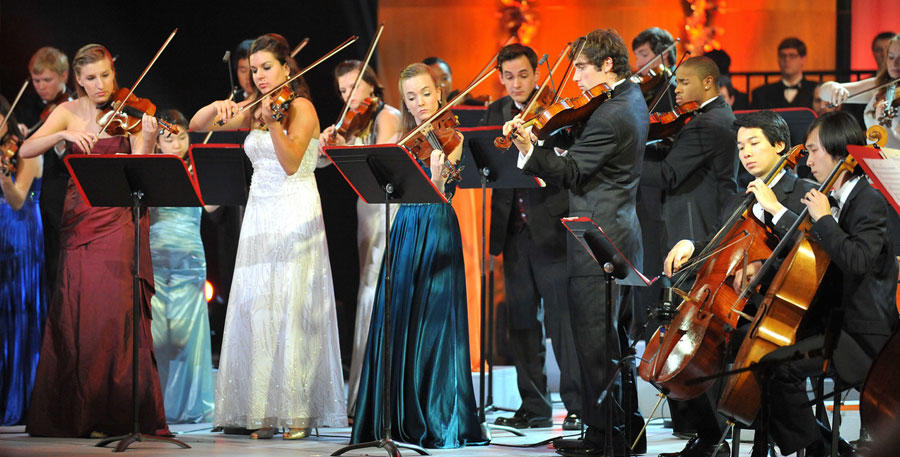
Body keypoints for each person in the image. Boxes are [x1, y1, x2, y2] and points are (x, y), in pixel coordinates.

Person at [189, 33, 346, 440]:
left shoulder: (301, 107)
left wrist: (274, 120)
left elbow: (293, 161)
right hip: (260, 211)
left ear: (286, 68)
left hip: (295, 209)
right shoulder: (255, 108)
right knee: (260, 305)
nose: (259, 76)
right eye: (254, 69)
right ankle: (262, 408)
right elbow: (195, 127)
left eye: (267, 68)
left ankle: (296, 411)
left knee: (292, 305)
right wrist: (216, 107)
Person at [503, 29, 648, 456]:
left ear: (607, 66)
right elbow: (587, 153)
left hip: (598, 239)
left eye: (582, 67)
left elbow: (574, 171)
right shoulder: (627, 101)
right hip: (618, 233)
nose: (577, 77)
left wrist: (530, 147)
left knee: (595, 343)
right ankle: (626, 432)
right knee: (613, 343)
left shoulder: (613, 112)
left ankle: (605, 438)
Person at [20, 43, 168, 437]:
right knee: (78, 311)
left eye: (105, 75)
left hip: (118, 221)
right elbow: (25, 147)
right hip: (78, 221)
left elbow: (140, 166)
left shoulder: (131, 111)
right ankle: (81, 411)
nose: (100, 85)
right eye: (90, 78)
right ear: (78, 81)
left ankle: (117, 413)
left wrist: (149, 141)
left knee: (112, 314)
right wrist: (63, 132)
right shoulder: (66, 111)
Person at [660, 110, 817, 457]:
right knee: (677, 333)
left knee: (755, 355)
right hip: (737, 306)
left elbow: (811, 253)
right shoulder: (737, 198)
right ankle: (709, 434)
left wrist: (773, 210)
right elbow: (721, 249)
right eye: (740, 146)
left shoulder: (802, 192)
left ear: (780, 145)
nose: (745, 152)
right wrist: (691, 245)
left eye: (754, 143)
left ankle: (809, 441)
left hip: (780, 311)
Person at [350, 62, 483, 449]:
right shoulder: (408, 138)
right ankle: (394, 418)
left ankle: (437, 417)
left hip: (437, 226)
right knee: (400, 319)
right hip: (405, 227)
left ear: (439, 92)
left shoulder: (453, 137)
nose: (421, 103)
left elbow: (447, 191)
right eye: (411, 97)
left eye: (426, 93)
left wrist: (440, 178)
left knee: (434, 325)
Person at [757, 111, 898, 457]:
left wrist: (824, 219)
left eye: (813, 150)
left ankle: (822, 451)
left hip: (865, 337)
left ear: (838, 150)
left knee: (776, 370)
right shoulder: (838, 197)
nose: (807, 160)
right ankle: (827, 449)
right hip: (836, 326)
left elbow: (857, 259)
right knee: (762, 362)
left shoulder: (870, 200)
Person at [483, 43, 583, 431]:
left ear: (537, 74)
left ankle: (576, 405)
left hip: (551, 229)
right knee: (522, 322)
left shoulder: (557, 112)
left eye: (523, 75)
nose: (516, 83)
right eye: (508, 76)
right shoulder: (495, 113)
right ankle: (534, 406)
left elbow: (564, 166)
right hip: (513, 232)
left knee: (562, 322)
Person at [641, 55, 738, 447]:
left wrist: (615, 160)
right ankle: (702, 434)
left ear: (709, 84)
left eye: (682, 82)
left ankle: (711, 436)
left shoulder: (711, 123)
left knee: (695, 339)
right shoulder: (704, 119)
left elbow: (667, 173)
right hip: (691, 232)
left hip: (697, 237)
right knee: (686, 335)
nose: (675, 89)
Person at [319, 59, 401, 418]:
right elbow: (321, 165)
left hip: (387, 208)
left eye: (353, 87)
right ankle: (364, 398)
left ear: (370, 84)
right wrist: (326, 144)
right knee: (366, 289)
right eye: (341, 91)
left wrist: (346, 144)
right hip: (364, 210)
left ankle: (384, 396)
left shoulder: (387, 116)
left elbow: (380, 160)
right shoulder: (353, 123)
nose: (348, 97)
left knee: (381, 286)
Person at [149, 109, 215, 424]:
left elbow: (212, 204)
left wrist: (220, 178)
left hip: (189, 259)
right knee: (157, 335)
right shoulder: (151, 169)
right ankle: (157, 402)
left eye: (181, 137)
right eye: (167, 138)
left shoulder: (196, 168)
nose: (175, 144)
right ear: (157, 142)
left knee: (190, 336)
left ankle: (190, 404)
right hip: (157, 258)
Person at [17, 47, 76, 302]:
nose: (40, 86)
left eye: (47, 80)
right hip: (26, 191)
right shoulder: (27, 104)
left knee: (56, 260)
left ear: (64, 77)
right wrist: (15, 132)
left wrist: (58, 139)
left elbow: (74, 160)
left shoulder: (73, 107)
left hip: (57, 192)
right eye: (36, 80)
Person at [0, 97, 44, 426]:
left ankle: (17, 397)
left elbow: (17, 201)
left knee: (17, 312)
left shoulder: (26, 149)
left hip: (20, 234)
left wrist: (3, 177)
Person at [819, 33, 899, 148]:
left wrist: (883, 125)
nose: (894, 63)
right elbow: (824, 93)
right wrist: (834, 88)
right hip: (874, 160)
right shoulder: (880, 85)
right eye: (891, 57)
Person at [751, 37, 815, 109]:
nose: (786, 60)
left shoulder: (816, 91)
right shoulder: (761, 93)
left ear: (803, 59)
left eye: (792, 56)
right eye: (782, 56)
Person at [632, 27, 677, 111]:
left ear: (664, 54)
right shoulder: (649, 84)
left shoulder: (675, 90)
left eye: (644, 55)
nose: (638, 64)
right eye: (637, 57)